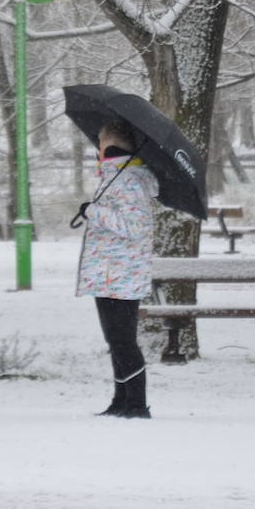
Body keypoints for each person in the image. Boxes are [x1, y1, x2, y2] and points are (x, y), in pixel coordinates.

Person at [74, 118, 158, 418]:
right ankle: (120, 400)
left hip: (121, 273)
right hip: (109, 272)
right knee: (116, 340)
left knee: (123, 340)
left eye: (100, 143)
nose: (97, 149)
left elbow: (133, 226)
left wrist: (92, 211)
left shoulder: (130, 181)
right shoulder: (116, 177)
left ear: (109, 145)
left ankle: (136, 404)